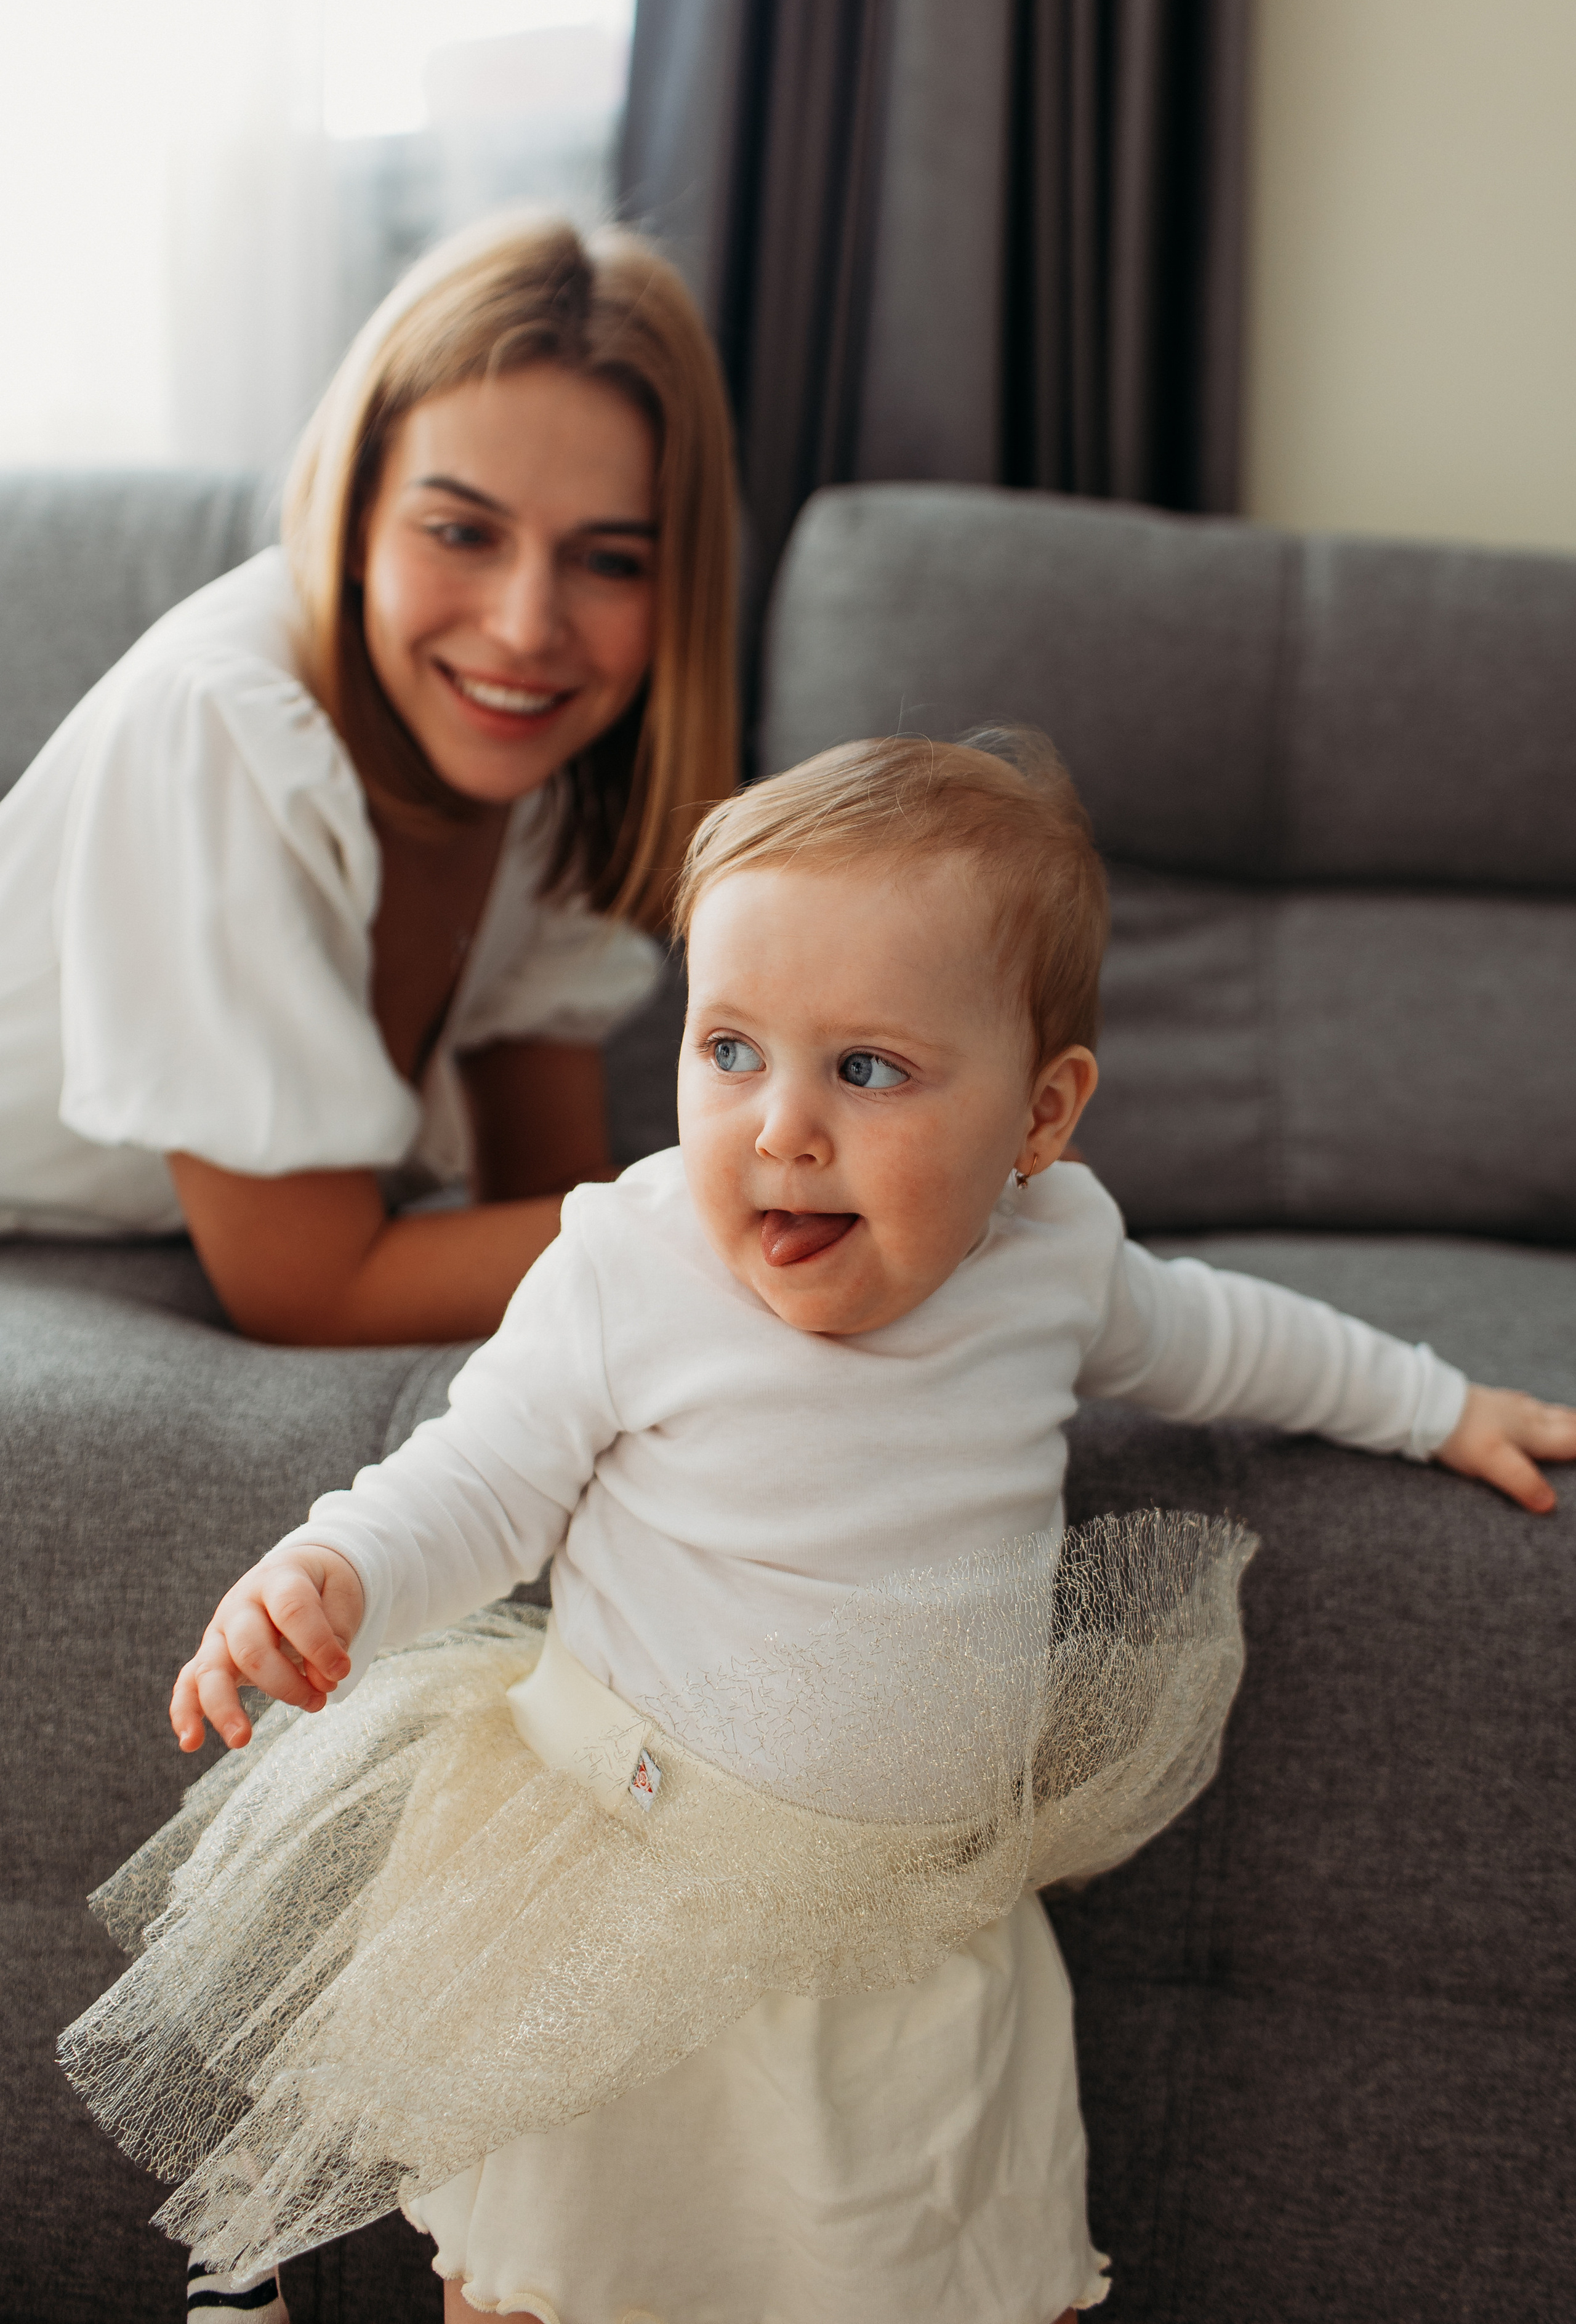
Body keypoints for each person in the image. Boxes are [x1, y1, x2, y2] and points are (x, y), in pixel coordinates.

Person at [60, 736, 1576, 2324]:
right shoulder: (631, 1262)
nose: (779, 1127)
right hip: (628, 1902)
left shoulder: (1050, 1258)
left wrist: (1431, 1403)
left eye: (866, 1070)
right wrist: (335, 1575)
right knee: (565, 2275)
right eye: (728, 1049)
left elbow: (1230, 1339)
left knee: (946, 2262)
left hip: (901, 1929)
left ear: (1039, 1116)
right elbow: (480, 1480)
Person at [0, 214, 736, 1343]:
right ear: (353, 518)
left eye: (607, 560)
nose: (526, 627)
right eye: (461, 532)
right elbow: (310, 1288)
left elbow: (544, 1181)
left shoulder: (544, 767)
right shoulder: (226, 728)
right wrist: (747, 1219)